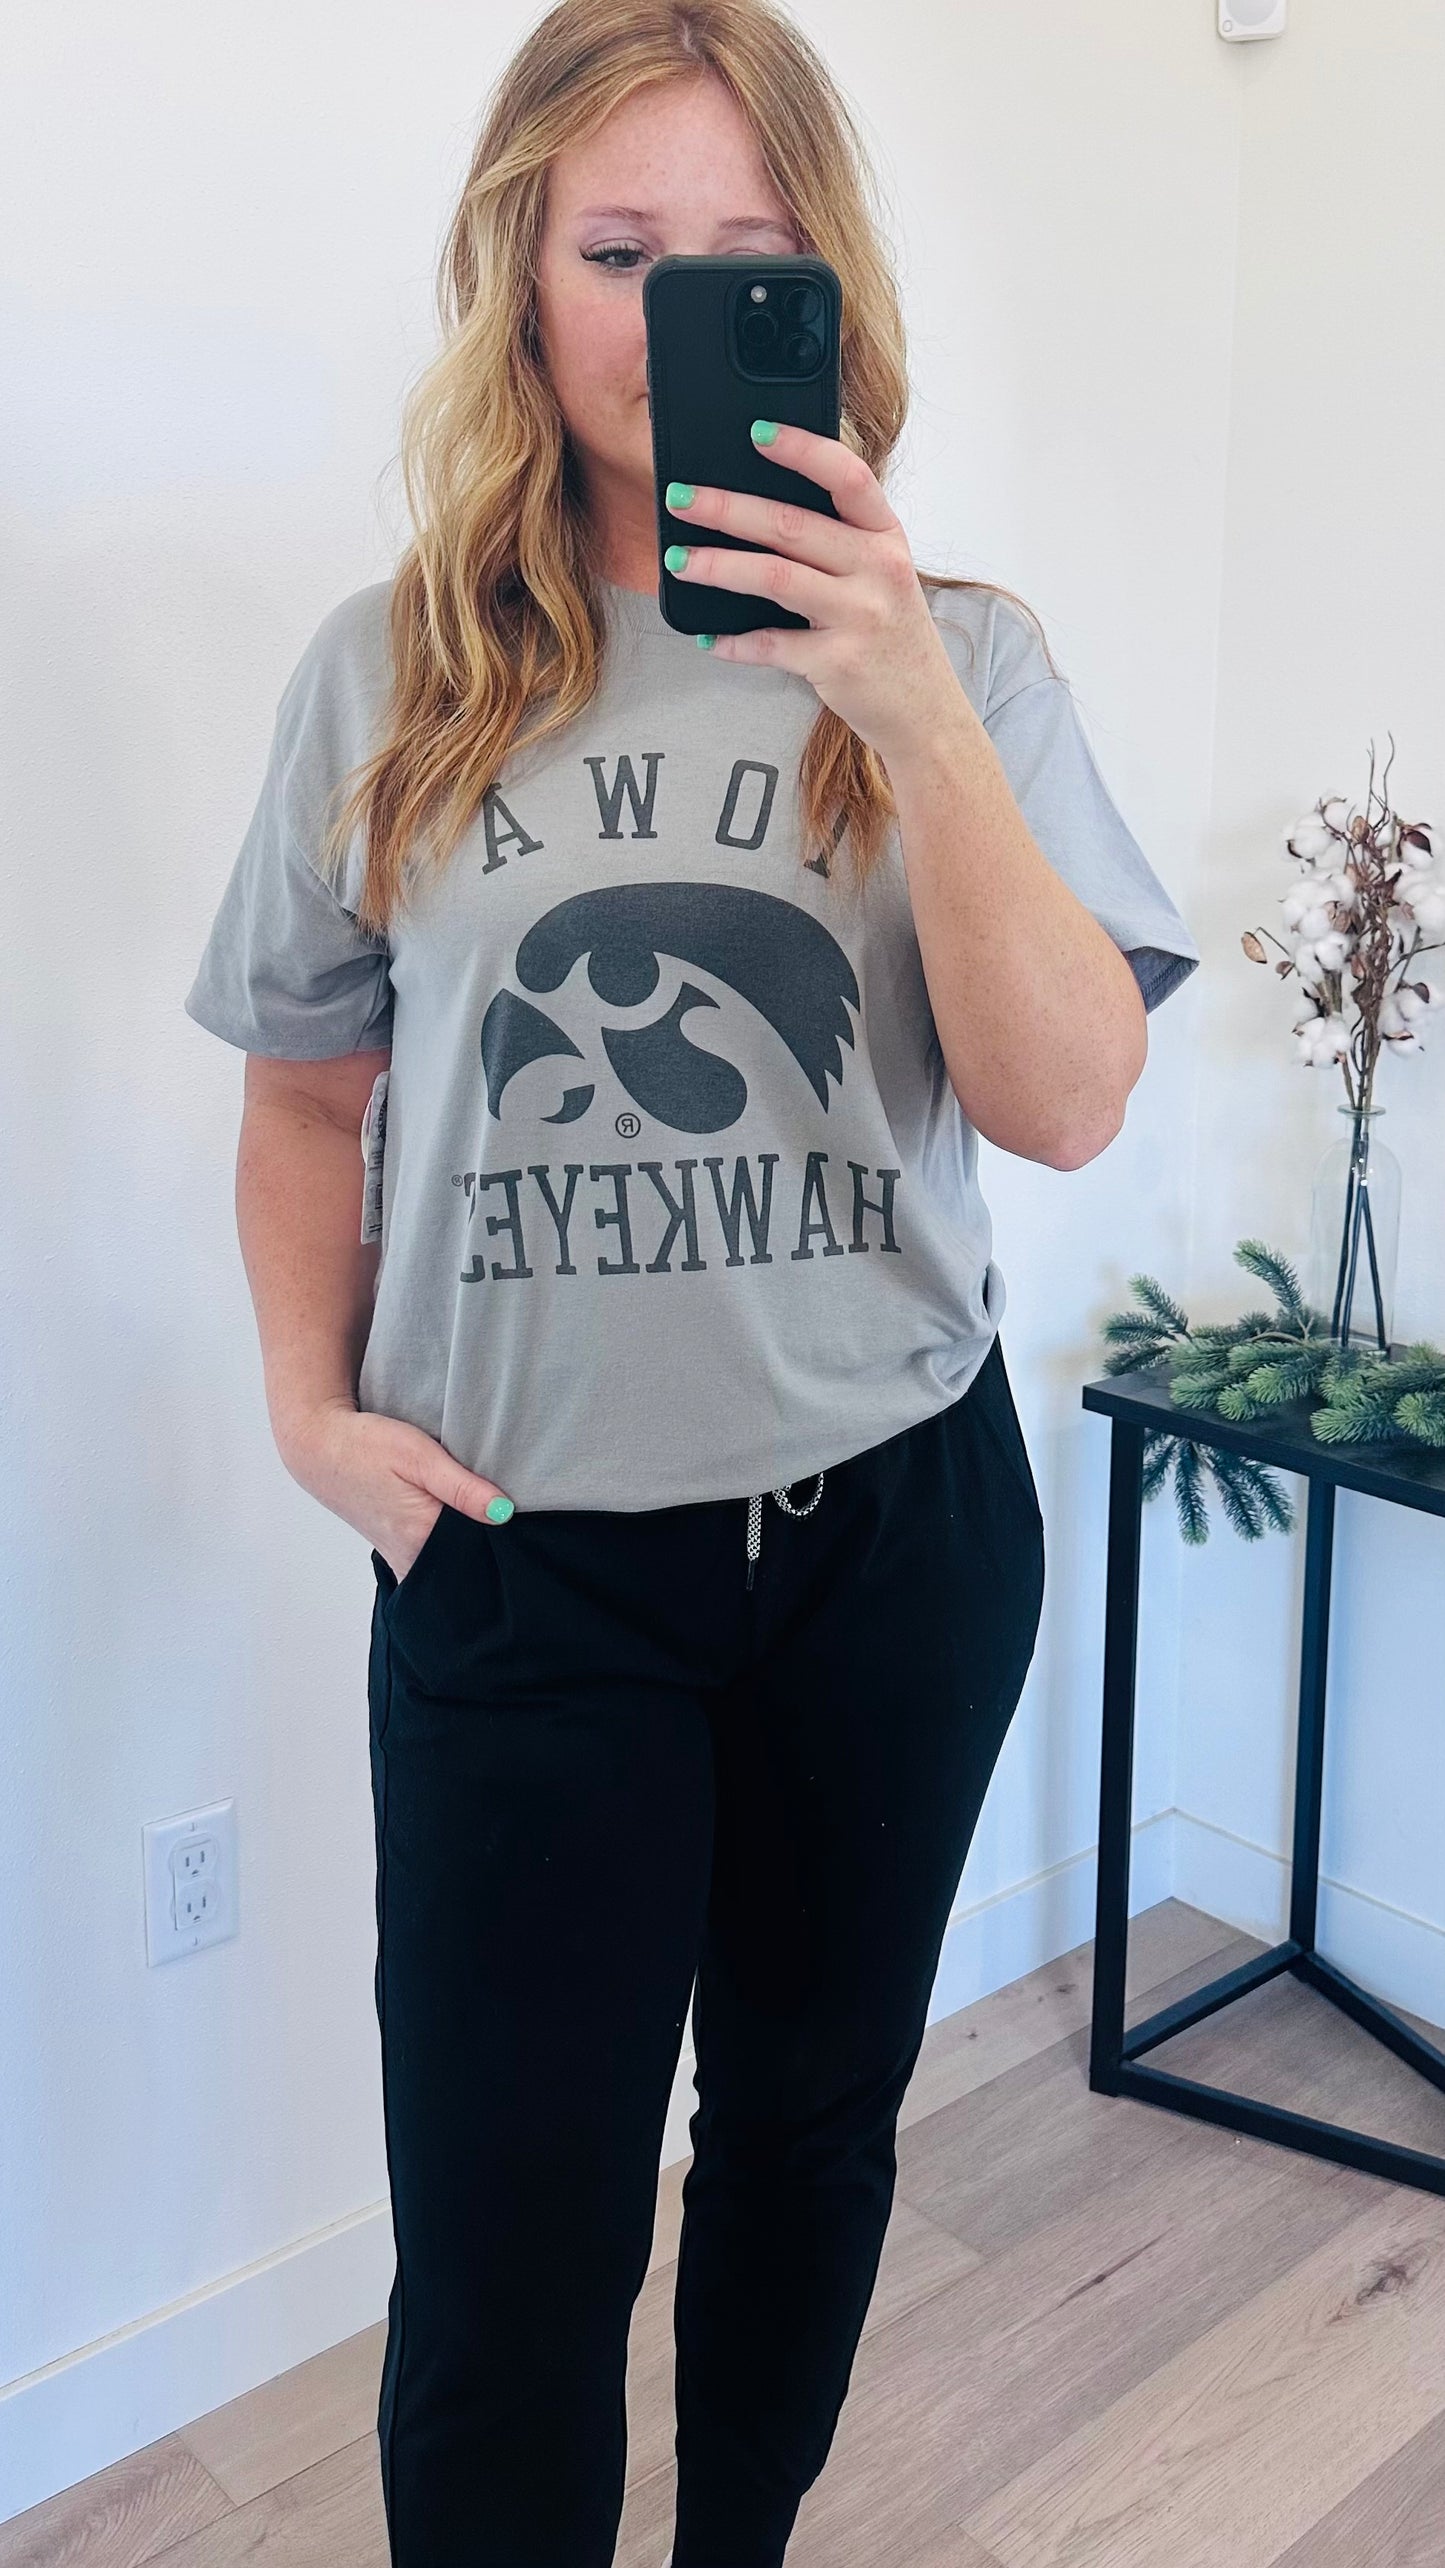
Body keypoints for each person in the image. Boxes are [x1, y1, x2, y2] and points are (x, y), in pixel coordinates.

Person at [184, 3, 1201, 2560]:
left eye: (747, 255)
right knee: (504, 2251)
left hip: (891, 1544)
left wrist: (912, 711)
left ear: (826, 285)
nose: (676, 313)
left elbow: (1071, 1101)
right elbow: (304, 1094)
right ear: (520, 280)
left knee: (808, 2143)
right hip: (522, 1568)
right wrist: (310, 1415)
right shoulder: (392, 668)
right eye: (620, 249)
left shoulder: (966, 659)